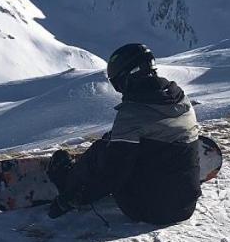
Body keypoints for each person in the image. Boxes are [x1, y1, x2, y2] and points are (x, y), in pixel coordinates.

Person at [46, 43, 202, 225]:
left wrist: (71, 200)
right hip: (186, 206)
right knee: (117, 142)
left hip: (149, 211)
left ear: (124, 78)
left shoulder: (132, 114)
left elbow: (113, 174)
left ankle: (68, 180)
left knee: (103, 149)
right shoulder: (179, 98)